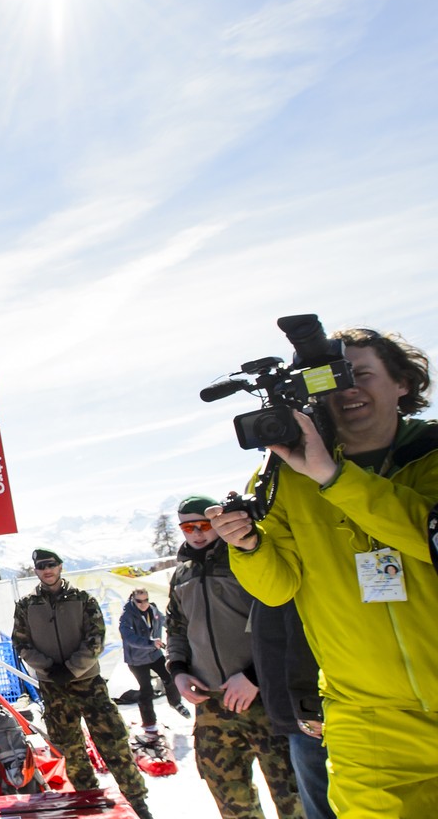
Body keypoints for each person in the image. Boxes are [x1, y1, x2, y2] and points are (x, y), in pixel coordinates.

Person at [210, 328, 438, 818]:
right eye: (330, 382)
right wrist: (246, 547)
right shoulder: (284, 475)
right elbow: (278, 589)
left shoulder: (434, 453)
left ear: (402, 383)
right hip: (367, 720)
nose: (347, 390)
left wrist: (334, 479)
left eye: (360, 374)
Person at [167, 496, 301, 819]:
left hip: (266, 698)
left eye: (204, 525)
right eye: (188, 527)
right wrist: (179, 670)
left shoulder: (245, 558)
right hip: (213, 704)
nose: (197, 533)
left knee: (294, 796)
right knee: (232, 801)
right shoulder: (181, 575)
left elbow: (284, 619)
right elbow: (176, 626)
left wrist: (255, 677)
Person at [11, 549, 152, 819]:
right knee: (71, 752)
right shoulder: (26, 605)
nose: (46, 570)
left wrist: (72, 669)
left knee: (114, 744)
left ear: (60, 566)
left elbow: (95, 638)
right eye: (41, 566)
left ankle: (138, 803)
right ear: (36, 571)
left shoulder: (82, 599)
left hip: (89, 685)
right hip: (53, 688)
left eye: (51, 564)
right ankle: (91, 804)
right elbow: (21, 644)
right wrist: (50, 668)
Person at [251, 599, 333, 819]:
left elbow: (306, 638)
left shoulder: (293, 574)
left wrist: (309, 707)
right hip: (300, 715)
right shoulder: (264, 584)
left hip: (318, 715)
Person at [118, 587, 186, 735]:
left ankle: (175, 702)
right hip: (137, 659)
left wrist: (180, 629)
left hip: (154, 654)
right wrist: (149, 643)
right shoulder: (127, 616)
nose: (143, 604)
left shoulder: (153, 609)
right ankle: (149, 722)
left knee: (170, 676)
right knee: (146, 689)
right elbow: (128, 638)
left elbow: (165, 621)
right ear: (133, 600)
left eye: (146, 600)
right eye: (139, 601)